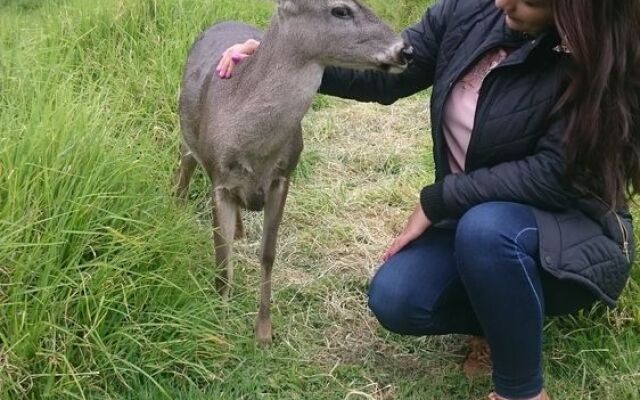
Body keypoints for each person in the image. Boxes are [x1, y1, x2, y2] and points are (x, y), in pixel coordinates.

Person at [215, 0, 640, 399]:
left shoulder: (595, 60)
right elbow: (393, 70)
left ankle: (522, 389)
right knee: (397, 299)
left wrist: (438, 200)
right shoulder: (468, 11)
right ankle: (507, 308)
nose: (501, 4)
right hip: (473, 220)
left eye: (527, 1)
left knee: (487, 230)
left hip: (573, 235)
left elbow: (552, 175)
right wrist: (284, 61)